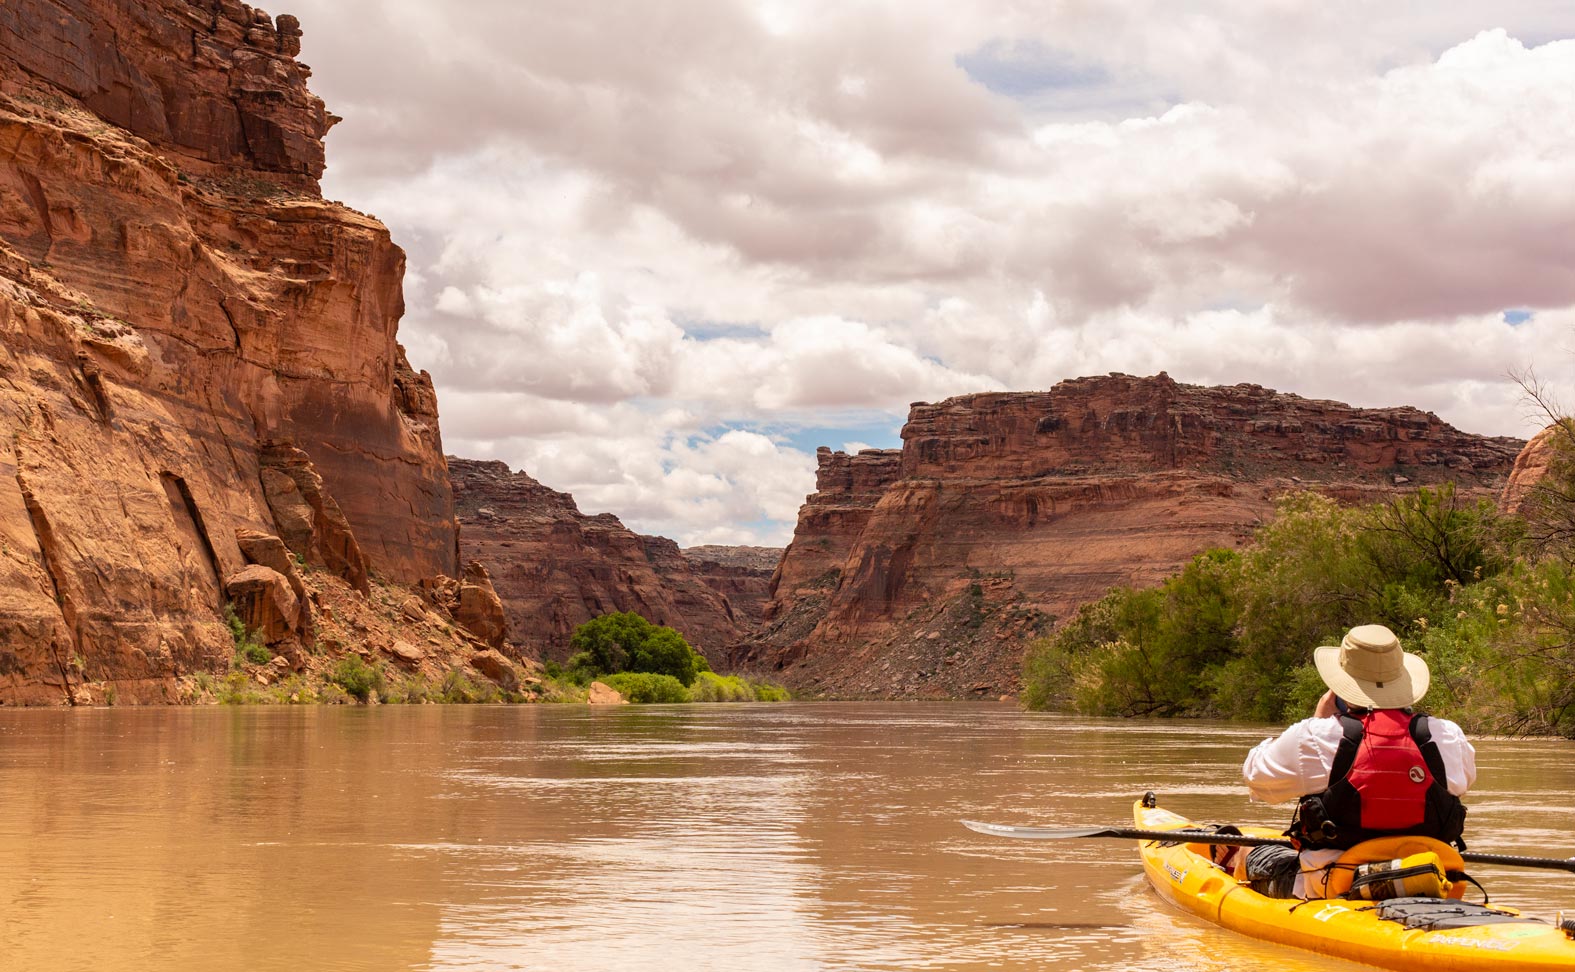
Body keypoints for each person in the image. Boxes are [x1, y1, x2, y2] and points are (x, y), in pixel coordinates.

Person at [1238, 623, 1476, 898]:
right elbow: (1463, 781)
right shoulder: (1448, 735)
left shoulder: (1316, 735)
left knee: (1247, 852)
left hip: (1333, 884)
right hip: (1429, 878)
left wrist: (1317, 722)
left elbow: (1255, 779)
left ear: (1340, 686)